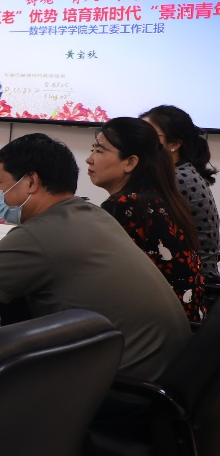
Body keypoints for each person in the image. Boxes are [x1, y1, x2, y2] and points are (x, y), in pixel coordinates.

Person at [0, 132, 190, 380]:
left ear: (31, 182)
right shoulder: (91, 213)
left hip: (124, 386)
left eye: (1, 185)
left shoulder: (40, 234)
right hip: (167, 373)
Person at [86, 117, 205, 324]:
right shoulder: (156, 198)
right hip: (186, 324)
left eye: (99, 151)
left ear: (130, 162)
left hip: (154, 329)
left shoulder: (126, 205)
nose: (90, 159)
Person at [141, 104, 220, 284]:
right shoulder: (178, 172)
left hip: (193, 284)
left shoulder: (178, 179)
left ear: (175, 144)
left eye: (149, 135)